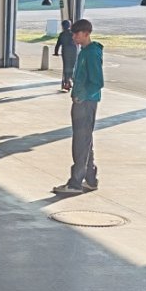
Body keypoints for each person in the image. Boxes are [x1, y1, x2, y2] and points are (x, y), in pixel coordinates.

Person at [53, 19, 104, 195]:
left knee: (80, 142)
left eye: (76, 34)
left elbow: (97, 82)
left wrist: (81, 96)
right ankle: (90, 179)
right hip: (83, 101)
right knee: (85, 141)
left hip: (86, 103)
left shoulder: (91, 53)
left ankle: (75, 183)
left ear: (86, 34)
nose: (73, 36)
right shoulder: (85, 52)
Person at [54, 20, 76, 92]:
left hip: (65, 52)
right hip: (73, 52)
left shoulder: (62, 34)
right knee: (72, 66)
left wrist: (56, 52)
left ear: (62, 26)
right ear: (70, 25)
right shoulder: (73, 33)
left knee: (66, 67)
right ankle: (70, 80)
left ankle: (67, 82)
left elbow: (58, 44)